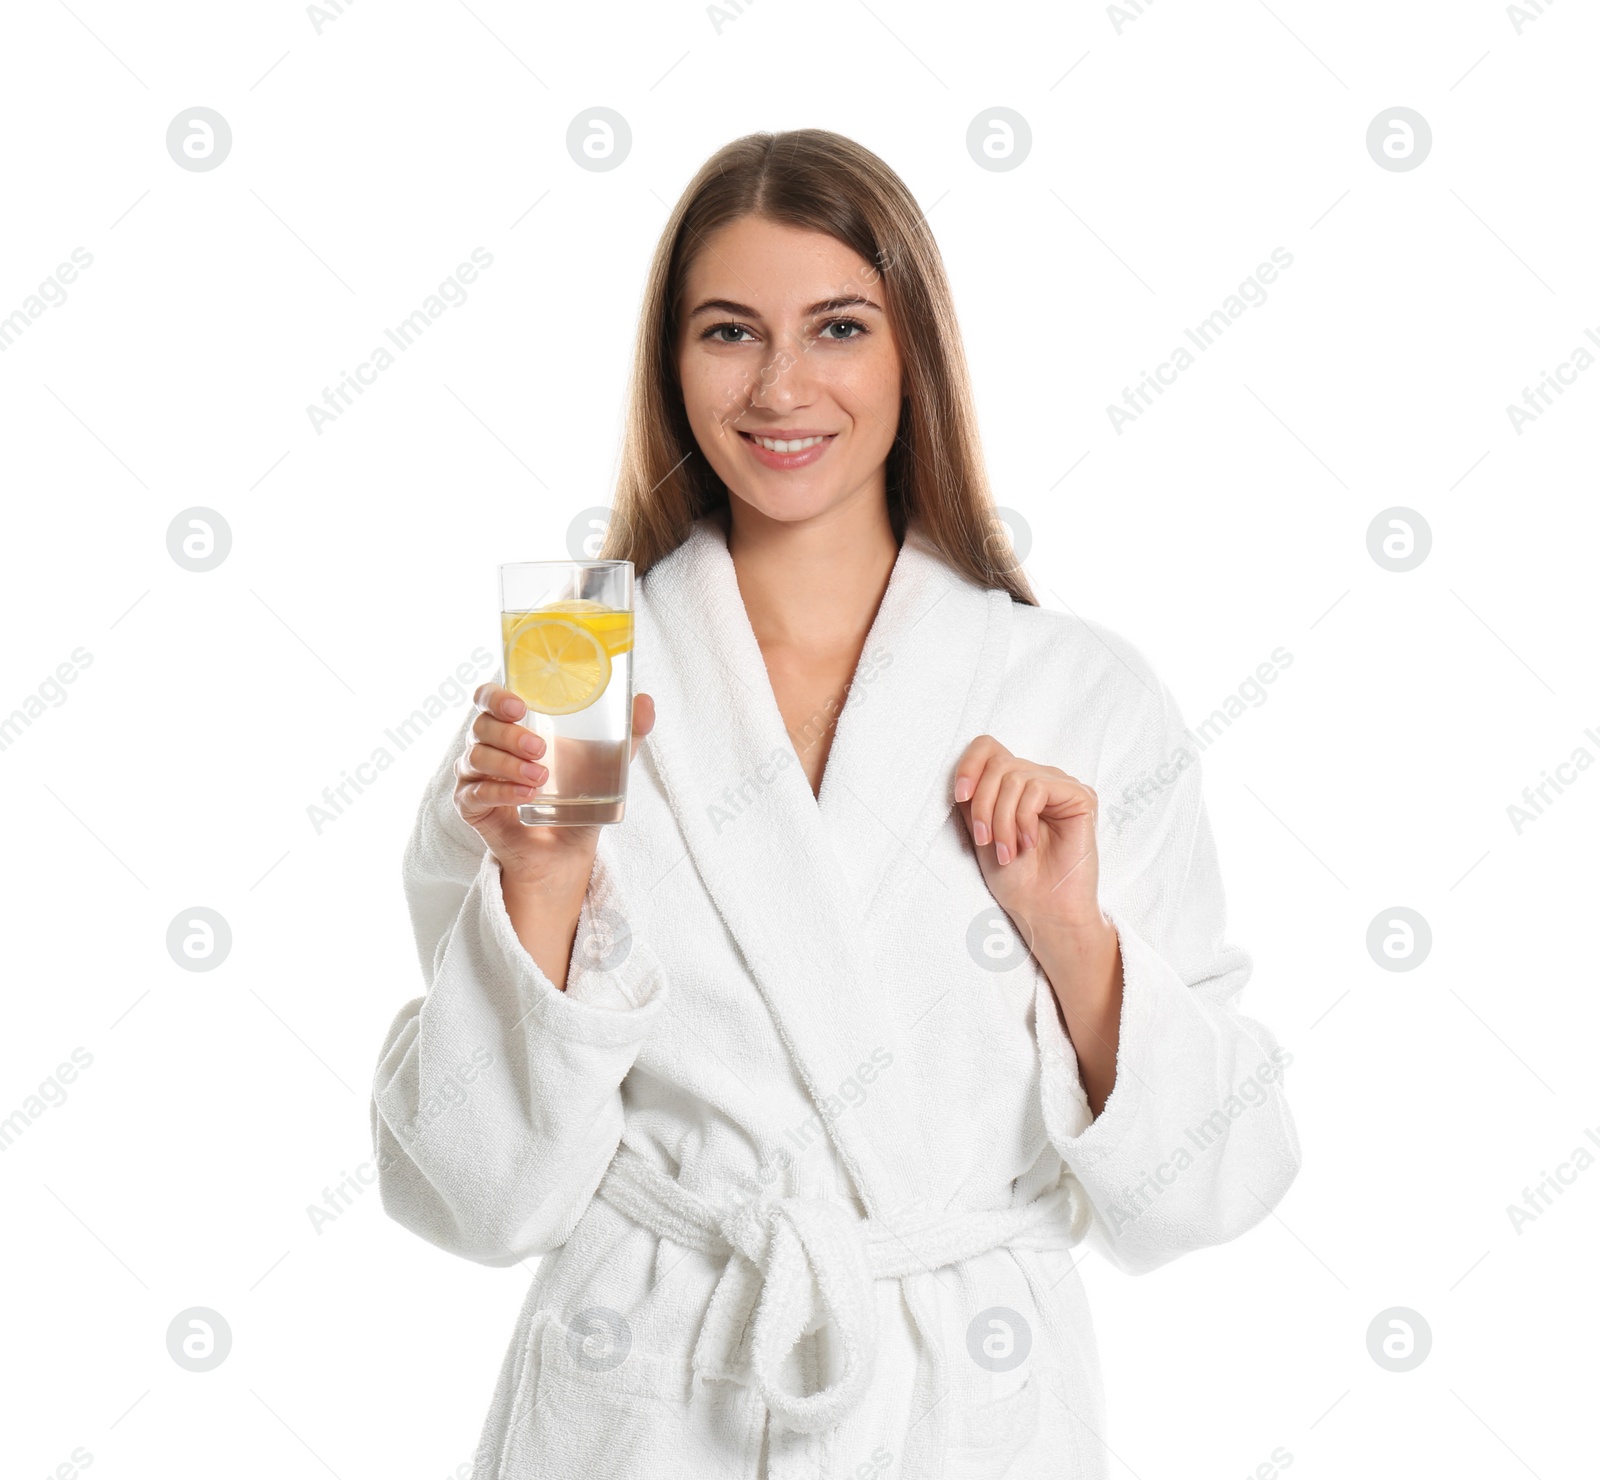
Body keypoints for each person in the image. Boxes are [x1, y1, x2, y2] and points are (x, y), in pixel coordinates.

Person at [371, 128, 1301, 1480]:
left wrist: (1074, 938)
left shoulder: (1078, 695)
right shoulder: (569, 692)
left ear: (910, 351)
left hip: (967, 1410)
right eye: (729, 331)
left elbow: (1214, 1186)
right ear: (671, 366)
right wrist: (542, 884)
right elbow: (476, 1198)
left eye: (839, 326)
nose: (782, 386)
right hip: (637, 1409)